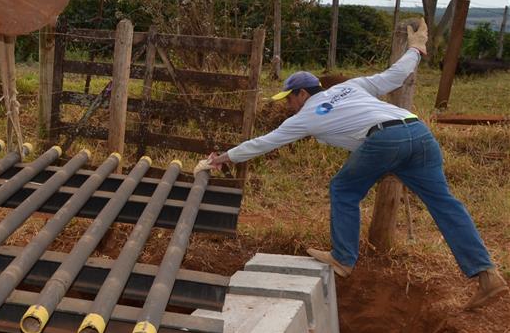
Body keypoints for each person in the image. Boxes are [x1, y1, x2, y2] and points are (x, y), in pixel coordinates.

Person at [208, 19, 506, 311]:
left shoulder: (306, 116)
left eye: (289, 98)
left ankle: (343, 258)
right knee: (445, 205)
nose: (287, 105)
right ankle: (486, 274)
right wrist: (416, 49)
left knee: (343, 189)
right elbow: (395, 75)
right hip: (418, 132)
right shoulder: (352, 87)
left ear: (301, 94)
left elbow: (265, 142)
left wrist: (224, 157)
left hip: (385, 139)